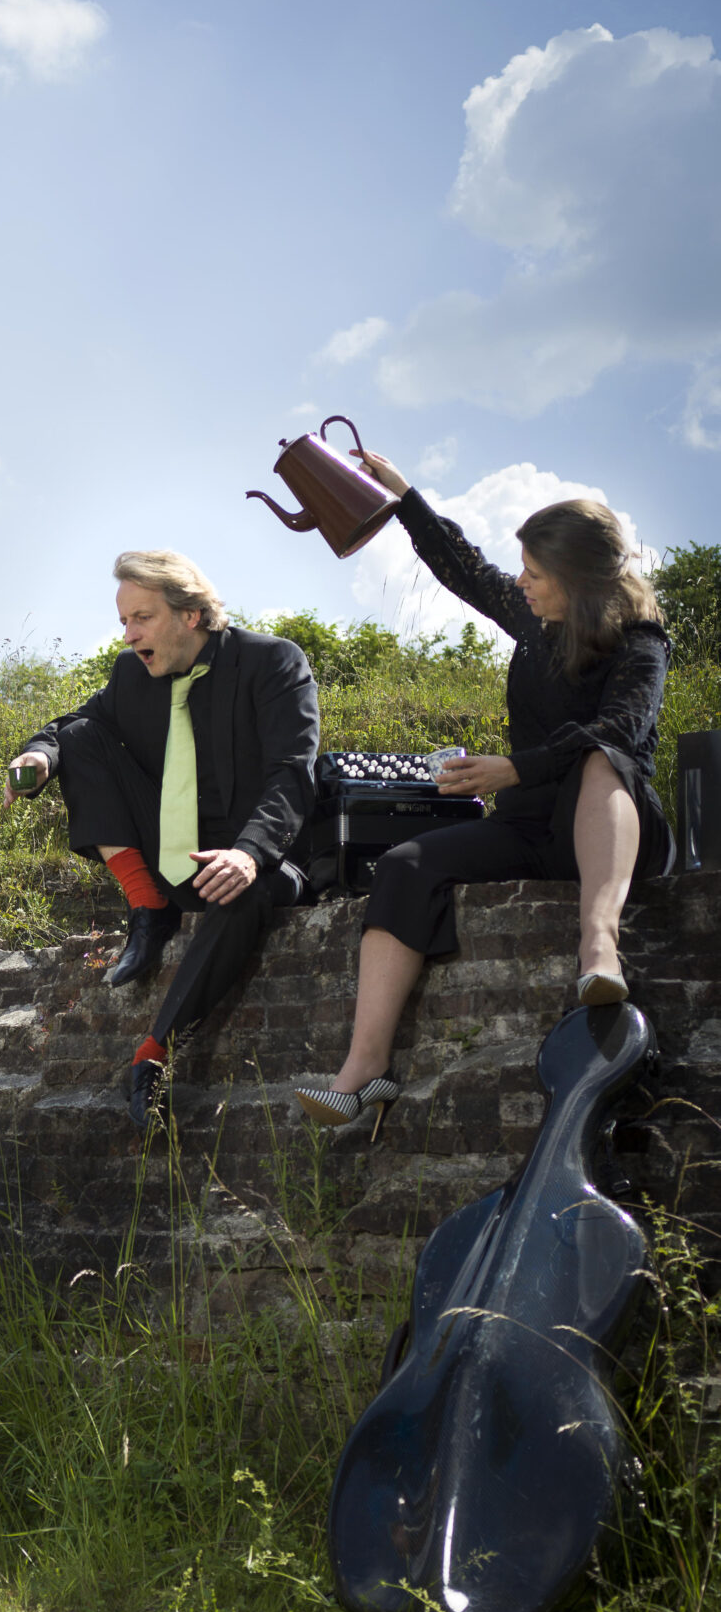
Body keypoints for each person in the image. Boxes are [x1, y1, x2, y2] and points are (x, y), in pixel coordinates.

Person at [293, 452, 672, 1130]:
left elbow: (619, 728)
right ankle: (364, 1070)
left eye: (534, 573)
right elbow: (460, 566)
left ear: (578, 582)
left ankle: (599, 946)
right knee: (407, 864)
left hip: (607, 828)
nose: (519, 582)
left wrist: (516, 767)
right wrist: (403, 496)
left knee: (600, 758)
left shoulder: (640, 644)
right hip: (527, 827)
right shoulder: (533, 623)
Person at [9, 550, 320, 1125]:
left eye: (141, 619)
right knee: (80, 736)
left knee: (241, 890)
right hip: (169, 853)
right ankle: (148, 907)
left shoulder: (273, 662)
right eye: (124, 621)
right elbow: (74, 725)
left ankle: (153, 1056)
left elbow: (292, 774)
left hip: (259, 858)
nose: (128, 636)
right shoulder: (132, 675)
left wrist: (249, 853)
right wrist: (39, 754)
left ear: (190, 615)